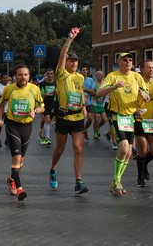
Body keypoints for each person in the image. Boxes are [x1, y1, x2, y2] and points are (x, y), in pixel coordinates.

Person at [96, 53, 149, 195]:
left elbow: (145, 93)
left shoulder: (137, 77)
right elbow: (99, 93)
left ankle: (116, 181)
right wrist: (113, 87)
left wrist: (145, 97)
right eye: (125, 60)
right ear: (119, 62)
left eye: (131, 60)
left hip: (130, 116)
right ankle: (116, 180)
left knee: (129, 152)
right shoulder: (113, 76)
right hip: (116, 115)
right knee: (124, 148)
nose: (128, 62)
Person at [49, 27, 89, 194]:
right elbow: (61, 55)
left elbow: (79, 92)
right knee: (60, 149)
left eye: (76, 61)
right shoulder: (61, 74)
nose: (74, 63)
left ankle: (78, 182)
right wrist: (70, 39)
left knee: (78, 149)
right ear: (66, 62)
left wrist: (84, 106)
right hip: (63, 117)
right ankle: (53, 169)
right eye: (71, 60)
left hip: (78, 116)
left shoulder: (80, 77)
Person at [0, 64, 44, 201]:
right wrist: (0, 118)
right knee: (16, 157)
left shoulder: (34, 89)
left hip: (27, 126)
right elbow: (1, 105)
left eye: (25, 75)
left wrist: (35, 111)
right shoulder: (9, 89)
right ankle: (19, 188)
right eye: (20, 74)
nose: (23, 77)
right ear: (15, 76)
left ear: (29, 76)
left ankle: (11, 179)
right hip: (12, 125)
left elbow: (41, 106)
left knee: (21, 160)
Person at [134, 60, 153, 187]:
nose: (151, 70)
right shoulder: (137, 84)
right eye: (148, 68)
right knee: (143, 151)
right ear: (143, 69)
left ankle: (144, 164)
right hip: (140, 120)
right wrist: (135, 110)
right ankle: (140, 177)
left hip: (151, 121)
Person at [39, 68, 57, 146]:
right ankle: (47, 138)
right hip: (44, 104)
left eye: (51, 73)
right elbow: (40, 94)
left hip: (53, 104)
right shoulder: (42, 84)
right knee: (47, 119)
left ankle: (42, 132)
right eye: (48, 73)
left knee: (49, 121)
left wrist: (57, 92)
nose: (49, 75)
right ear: (46, 74)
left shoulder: (56, 83)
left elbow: (59, 92)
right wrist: (43, 94)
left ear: (53, 75)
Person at [90, 71, 108, 141]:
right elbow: (91, 92)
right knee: (96, 119)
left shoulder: (104, 83)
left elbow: (106, 91)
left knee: (104, 119)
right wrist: (95, 95)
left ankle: (98, 128)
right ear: (96, 76)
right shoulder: (94, 83)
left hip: (102, 104)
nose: (101, 76)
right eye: (100, 75)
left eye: (102, 75)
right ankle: (95, 132)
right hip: (95, 103)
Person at [81, 65, 96, 141]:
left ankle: (85, 129)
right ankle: (81, 134)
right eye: (83, 70)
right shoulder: (78, 79)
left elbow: (93, 91)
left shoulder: (90, 80)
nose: (84, 71)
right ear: (81, 71)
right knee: (81, 119)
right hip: (79, 103)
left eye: (86, 70)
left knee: (90, 119)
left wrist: (84, 89)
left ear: (87, 71)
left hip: (88, 103)